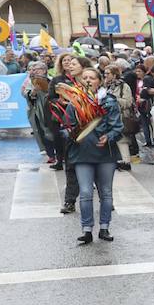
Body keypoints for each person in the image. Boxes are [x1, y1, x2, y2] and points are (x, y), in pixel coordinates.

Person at [59, 67, 121, 244]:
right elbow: (65, 128)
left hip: (105, 154)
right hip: (82, 154)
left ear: (99, 81)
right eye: (84, 77)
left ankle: (104, 227)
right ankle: (87, 230)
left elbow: (117, 127)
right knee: (85, 192)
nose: (88, 80)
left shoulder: (109, 101)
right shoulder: (74, 102)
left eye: (92, 78)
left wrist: (108, 137)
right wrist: (72, 135)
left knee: (106, 193)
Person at [50, 52, 85, 212]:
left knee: (95, 167)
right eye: (67, 62)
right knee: (70, 167)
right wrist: (61, 101)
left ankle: (106, 198)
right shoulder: (59, 81)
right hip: (71, 128)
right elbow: (50, 98)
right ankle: (69, 201)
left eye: (73, 62)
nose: (70, 64)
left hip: (89, 129)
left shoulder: (88, 81)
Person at [102, 65, 136, 170]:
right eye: (105, 73)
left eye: (108, 73)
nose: (105, 75)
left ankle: (126, 162)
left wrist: (113, 99)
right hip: (107, 116)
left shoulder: (123, 86)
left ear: (115, 74)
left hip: (120, 116)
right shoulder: (104, 86)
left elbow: (128, 102)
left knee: (122, 139)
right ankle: (117, 160)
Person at [22, 60, 57, 162]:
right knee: (42, 131)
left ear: (44, 70)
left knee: (53, 130)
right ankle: (50, 155)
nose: (36, 71)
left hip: (50, 109)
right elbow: (26, 94)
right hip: (37, 110)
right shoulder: (30, 82)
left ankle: (58, 152)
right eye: (34, 70)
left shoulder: (51, 80)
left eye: (38, 69)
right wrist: (33, 92)